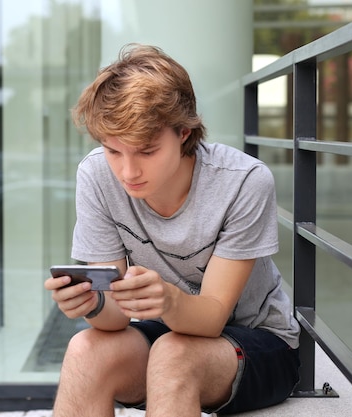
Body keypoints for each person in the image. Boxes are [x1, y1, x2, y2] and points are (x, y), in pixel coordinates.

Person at [44, 43, 301, 417]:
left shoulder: (243, 182)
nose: (128, 172)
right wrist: (93, 303)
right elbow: (114, 320)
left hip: (262, 341)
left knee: (174, 354)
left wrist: (166, 300)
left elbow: (213, 319)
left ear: (183, 132)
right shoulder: (96, 175)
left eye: (146, 151)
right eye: (114, 151)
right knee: (87, 349)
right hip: (170, 330)